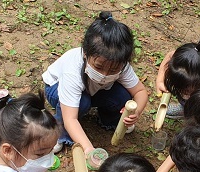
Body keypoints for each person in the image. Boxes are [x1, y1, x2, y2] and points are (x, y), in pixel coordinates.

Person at [43, 11, 148, 154]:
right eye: (98, 67)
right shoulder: (72, 71)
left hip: (93, 89)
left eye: (113, 70)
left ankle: (109, 121)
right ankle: (59, 134)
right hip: (55, 87)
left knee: (123, 96)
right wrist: (88, 149)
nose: (104, 74)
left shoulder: (121, 65)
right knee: (82, 103)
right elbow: (70, 119)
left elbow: (140, 92)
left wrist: (136, 111)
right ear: (85, 53)